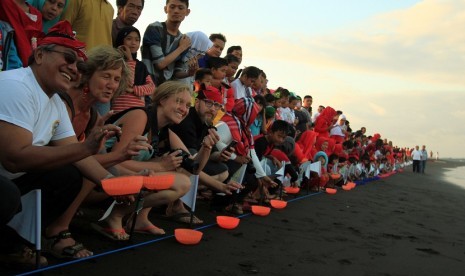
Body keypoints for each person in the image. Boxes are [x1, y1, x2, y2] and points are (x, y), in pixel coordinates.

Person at [0, 20, 125, 266]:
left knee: (68, 176)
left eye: (79, 64)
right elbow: (13, 159)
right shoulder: (16, 85)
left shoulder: (55, 101)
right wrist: (85, 147)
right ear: (39, 55)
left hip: (10, 179)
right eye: (68, 58)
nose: (74, 68)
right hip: (7, 180)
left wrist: (114, 185)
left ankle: (11, 243)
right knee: (6, 195)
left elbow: (77, 155)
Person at [97, 81, 219, 237]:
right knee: (179, 180)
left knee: (181, 171)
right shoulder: (140, 116)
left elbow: (193, 167)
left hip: (123, 176)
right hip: (97, 177)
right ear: (162, 100)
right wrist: (160, 166)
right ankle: (115, 214)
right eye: (179, 101)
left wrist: (206, 148)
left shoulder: (165, 131)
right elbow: (116, 160)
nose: (184, 109)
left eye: (188, 106)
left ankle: (140, 218)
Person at [141, 0, 195, 86]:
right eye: (172, 7)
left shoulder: (184, 41)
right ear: (166, 9)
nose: (176, 11)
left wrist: (189, 73)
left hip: (164, 90)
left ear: (187, 12)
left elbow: (176, 72)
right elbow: (160, 64)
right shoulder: (155, 28)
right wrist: (181, 48)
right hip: (145, 84)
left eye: (180, 8)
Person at [112, 26, 155, 112]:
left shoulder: (141, 66)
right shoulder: (114, 62)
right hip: (118, 110)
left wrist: (134, 90)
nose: (133, 43)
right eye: (129, 39)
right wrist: (129, 61)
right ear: (121, 41)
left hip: (137, 111)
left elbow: (151, 88)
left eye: (137, 40)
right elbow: (126, 84)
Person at [0, 0, 43, 66]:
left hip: (29, 66)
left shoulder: (37, 15)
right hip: (7, 60)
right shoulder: (4, 3)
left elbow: (37, 41)